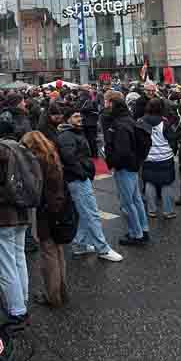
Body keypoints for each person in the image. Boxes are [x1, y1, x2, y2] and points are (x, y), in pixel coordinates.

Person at [0, 137, 38, 328]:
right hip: (22, 211)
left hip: (1, 215)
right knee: (19, 257)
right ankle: (22, 298)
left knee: (6, 264)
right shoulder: (23, 150)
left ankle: (17, 311)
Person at [56, 108, 121, 262]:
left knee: (84, 213)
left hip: (78, 178)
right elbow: (69, 159)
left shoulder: (74, 132)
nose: (80, 119)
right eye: (76, 116)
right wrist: (83, 173)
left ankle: (80, 244)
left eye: (80, 116)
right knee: (91, 214)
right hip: (77, 179)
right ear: (67, 119)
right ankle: (102, 249)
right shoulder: (67, 135)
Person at [23, 130, 70, 307]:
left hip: (45, 210)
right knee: (58, 251)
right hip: (59, 207)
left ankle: (53, 295)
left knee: (48, 252)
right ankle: (61, 291)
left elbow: (34, 189)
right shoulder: (52, 156)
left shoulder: (36, 162)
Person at [101, 90, 149, 246]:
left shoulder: (118, 123)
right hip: (133, 165)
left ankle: (136, 234)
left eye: (105, 101)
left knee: (128, 202)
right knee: (136, 200)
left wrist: (113, 162)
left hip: (125, 167)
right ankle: (143, 229)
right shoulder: (128, 118)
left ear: (111, 103)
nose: (104, 104)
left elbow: (122, 150)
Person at [140, 98, 177, 220]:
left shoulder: (141, 121)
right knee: (167, 183)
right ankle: (168, 211)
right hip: (165, 157)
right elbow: (173, 139)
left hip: (148, 157)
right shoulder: (165, 123)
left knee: (149, 182)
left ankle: (152, 210)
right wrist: (172, 151)